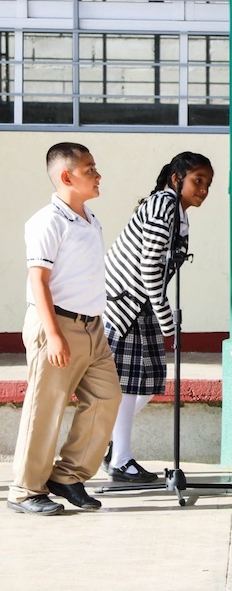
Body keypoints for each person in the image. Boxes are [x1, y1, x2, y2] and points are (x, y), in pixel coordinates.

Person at [9, 142, 120, 516]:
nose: (98, 174)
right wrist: (53, 334)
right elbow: (38, 280)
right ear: (66, 176)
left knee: (107, 398)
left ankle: (69, 475)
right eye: (90, 169)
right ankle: (25, 490)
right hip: (56, 325)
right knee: (46, 408)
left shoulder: (89, 218)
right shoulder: (48, 221)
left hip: (92, 328)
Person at [102, 151, 214, 483]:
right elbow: (150, 267)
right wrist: (168, 321)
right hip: (125, 304)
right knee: (129, 384)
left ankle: (111, 443)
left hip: (141, 304)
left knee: (146, 382)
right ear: (176, 179)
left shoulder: (174, 210)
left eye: (208, 184)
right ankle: (119, 457)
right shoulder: (164, 206)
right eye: (197, 181)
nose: (204, 190)